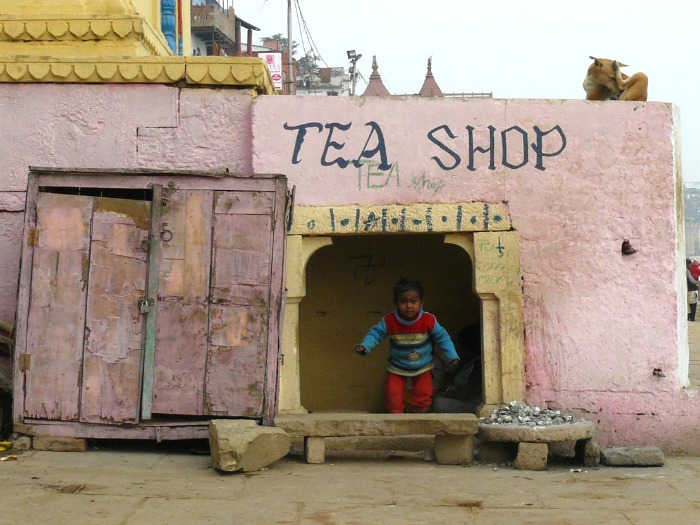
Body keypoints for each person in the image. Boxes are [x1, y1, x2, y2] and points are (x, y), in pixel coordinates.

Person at [355, 278, 460, 414]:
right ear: (396, 303)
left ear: (421, 303)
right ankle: (395, 422)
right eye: (403, 302)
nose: (409, 306)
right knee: (393, 397)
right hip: (397, 367)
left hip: (422, 367)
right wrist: (365, 346)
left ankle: (420, 417)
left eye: (413, 301)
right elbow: (375, 334)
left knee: (424, 394)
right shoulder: (389, 321)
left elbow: (443, 338)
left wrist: (452, 356)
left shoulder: (429, 320)